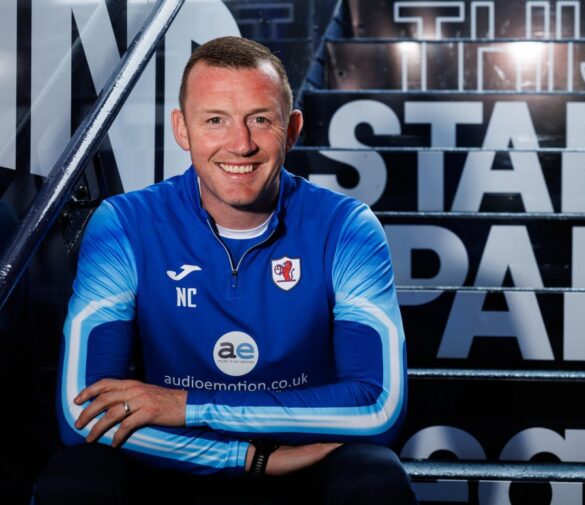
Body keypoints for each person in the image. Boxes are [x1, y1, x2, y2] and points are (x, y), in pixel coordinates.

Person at [33, 36, 415, 504]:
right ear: (182, 129)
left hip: (302, 461)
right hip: (172, 461)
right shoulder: (125, 224)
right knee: (76, 480)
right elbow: (84, 416)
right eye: (215, 120)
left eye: (260, 119)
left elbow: (379, 406)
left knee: (375, 477)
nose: (241, 144)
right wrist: (245, 459)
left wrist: (189, 407)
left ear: (291, 129)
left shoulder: (346, 227)